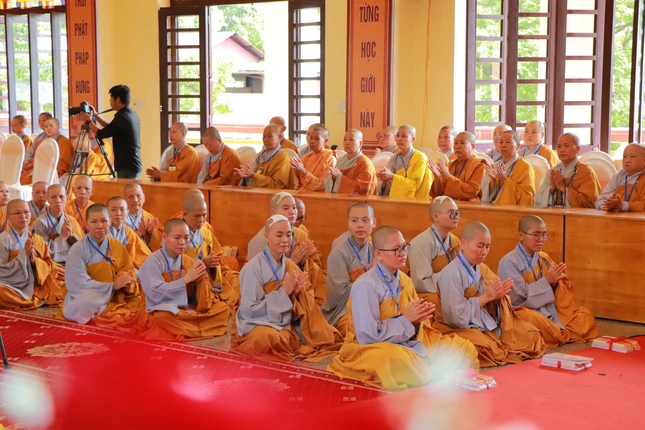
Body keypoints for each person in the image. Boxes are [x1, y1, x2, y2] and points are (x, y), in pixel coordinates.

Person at [328, 226, 478, 389]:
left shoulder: (405, 280)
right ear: (378, 254)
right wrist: (406, 320)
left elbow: (420, 326)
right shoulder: (365, 286)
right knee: (393, 358)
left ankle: (432, 372)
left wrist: (418, 319)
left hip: (411, 341)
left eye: (404, 247)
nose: (403, 253)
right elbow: (367, 335)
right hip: (370, 347)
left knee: (464, 348)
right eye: (396, 250)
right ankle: (436, 371)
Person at [434, 222, 546, 367]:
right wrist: (485, 298)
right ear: (463, 243)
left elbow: (494, 299)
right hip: (456, 328)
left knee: (532, 335)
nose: (484, 252)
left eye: (487, 246)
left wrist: (498, 298)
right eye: (479, 246)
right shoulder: (451, 273)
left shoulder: (482, 268)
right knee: (484, 348)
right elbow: (454, 318)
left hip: (484, 324)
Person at [231, 215, 340, 363]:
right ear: (266, 236)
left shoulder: (290, 265)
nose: (285, 240)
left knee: (317, 333)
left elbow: (305, 304)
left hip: (285, 322)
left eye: (288, 235)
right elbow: (248, 310)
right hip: (257, 322)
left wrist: (297, 294)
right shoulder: (252, 268)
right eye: (279, 235)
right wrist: (284, 293)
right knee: (266, 338)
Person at [498, 215, 598, 348]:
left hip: (549, 307)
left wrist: (556, 282)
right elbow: (517, 298)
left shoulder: (543, 257)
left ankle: (556, 330)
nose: (541, 239)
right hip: (524, 310)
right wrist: (547, 281)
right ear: (521, 236)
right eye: (536, 235)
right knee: (534, 321)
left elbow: (561, 291)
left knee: (585, 317)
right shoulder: (508, 262)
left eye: (544, 235)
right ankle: (556, 331)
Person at [137, 219, 231, 341]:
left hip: (187, 305)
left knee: (222, 308)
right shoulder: (152, 262)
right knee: (160, 319)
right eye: (177, 238)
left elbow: (202, 289)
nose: (182, 242)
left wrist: (201, 278)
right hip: (161, 307)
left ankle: (191, 323)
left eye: (186, 238)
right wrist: (185, 280)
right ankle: (195, 325)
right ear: (165, 237)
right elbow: (154, 293)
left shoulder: (186, 259)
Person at [63, 204, 142, 327]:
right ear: (87, 225)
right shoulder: (77, 249)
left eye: (104, 221)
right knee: (79, 305)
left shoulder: (117, 245)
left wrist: (124, 279)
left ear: (110, 222)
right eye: (94, 222)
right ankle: (103, 310)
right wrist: (111, 286)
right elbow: (77, 283)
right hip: (91, 294)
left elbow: (128, 269)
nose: (99, 226)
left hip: (118, 294)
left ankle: (101, 311)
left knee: (143, 298)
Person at [247, 192, 326, 305]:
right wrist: (291, 262)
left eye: (294, 207)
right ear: (273, 212)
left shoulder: (301, 234)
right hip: (271, 297)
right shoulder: (259, 241)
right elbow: (256, 280)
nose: (292, 212)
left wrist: (304, 263)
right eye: (286, 208)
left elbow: (316, 270)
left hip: (300, 289)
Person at [0, 199, 66, 310]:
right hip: (11, 284)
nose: (23, 216)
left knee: (66, 281)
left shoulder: (36, 239)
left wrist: (33, 260)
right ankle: (33, 298)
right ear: (8, 216)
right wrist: (24, 255)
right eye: (17, 213)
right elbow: (2, 271)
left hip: (36, 281)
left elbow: (48, 263)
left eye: (26, 212)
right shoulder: (3, 239)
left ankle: (33, 297)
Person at [321, 203, 376, 337]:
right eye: (355, 221)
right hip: (344, 309)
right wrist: (370, 275)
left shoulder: (376, 249)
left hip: (373, 304)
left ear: (374, 223)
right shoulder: (338, 253)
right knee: (359, 330)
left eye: (365, 220)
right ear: (348, 224)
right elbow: (339, 293)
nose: (360, 225)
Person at [180, 192, 240, 309]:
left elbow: (218, 257)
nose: (201, 220)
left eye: (204, 215)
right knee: (214, 301)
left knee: (237, 279)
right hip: (192, 284)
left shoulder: (206, 232)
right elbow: (174, 267)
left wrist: (213, 265)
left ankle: (225, 305)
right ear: (185, 214)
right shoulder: (177, 235)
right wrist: (202, 264)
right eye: (197, 216)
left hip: (212, 278)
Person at [80, 84, 142, 179]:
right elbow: (111, 128)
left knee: (125, 188)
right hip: (132, 163)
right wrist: (95, 115)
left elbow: (100, 134)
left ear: (118, 99)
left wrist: (89, 121)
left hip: (127, 166)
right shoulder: (129, 113)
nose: (110, 101)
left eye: (111, 98)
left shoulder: (122, 117)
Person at [409, 197, 461, 307]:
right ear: (436, 216)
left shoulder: (454, 241)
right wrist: (450, 280)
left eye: (457, 213)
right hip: (425, 293)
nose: (456, 217)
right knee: (443, 302)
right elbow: (421, 282)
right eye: (451, 213)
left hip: (446, 288)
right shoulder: (422, 242)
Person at [535, 133, 601, 208]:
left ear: (577, 149)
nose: (562, 150)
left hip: (576, 215)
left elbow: (590, 202)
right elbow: (538, 200)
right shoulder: (552, 172)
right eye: (559, 146)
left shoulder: (586, 171)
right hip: (554, 214)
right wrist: (551, 189)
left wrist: (563, 189)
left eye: (566, 146)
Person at [377, 124, 433, 199]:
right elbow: (388, 188)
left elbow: (415, 184)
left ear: (413, 139)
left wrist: (392, 176)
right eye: (397, 135)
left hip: (417, 200)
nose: (399, 139)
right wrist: (384, 180)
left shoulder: (420, 157)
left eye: (404, 136)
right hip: (395, 200)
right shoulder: (394, 158)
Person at [32, 184, 84, 265]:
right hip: (50, 265)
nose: (58, 200)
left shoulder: (71, 220)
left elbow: (81, 248)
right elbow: (42, 252)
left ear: (66, 198)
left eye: (61, 197)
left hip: (72, 262)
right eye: (53, 197)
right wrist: (62, 237)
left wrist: (70, 237)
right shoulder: (40, 223)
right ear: (47, 199)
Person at [481, 130, 536, 205]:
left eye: (508, 142)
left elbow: (528, 197)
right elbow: (484, 195)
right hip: (493, 207)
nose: (503, 145)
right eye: (501, 142)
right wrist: (493, 181)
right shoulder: (495, 166)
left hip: (512, 210)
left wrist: (505, 181)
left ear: (518, 146)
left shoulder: (525, 168)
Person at [429, 131, 486, 201]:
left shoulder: (479, 165)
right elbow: (438, 193)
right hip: (447, 203)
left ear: (472, 146)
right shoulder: (450, 165)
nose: (457, 146)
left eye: (462, 143)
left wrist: (449, 177)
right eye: (455, 143)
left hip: (468, 204)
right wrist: (437, 178)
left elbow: (472, 191)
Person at [235, 124, 296, 189]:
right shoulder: (260, 155)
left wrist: (253, 175)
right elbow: (252, 177)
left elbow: (277, 185)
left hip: (275, 194)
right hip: (258, 191)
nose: (266, 139)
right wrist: (246, 176)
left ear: (279, 137)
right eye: (264, 136)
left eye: (270, 136)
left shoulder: (283, 158)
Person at [20, 118, 74, 185]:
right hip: (39, 169)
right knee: (21, 177)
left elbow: (63, 165)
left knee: (28, 180)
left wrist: (43, 170)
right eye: (46, 126)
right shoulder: (45, 142)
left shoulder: (64, 142)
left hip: (53, 172)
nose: (48, 128)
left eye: (51, 125)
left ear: (58, 127)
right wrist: (28, 166)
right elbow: (39, 159)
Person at [324, 129, 377, 195]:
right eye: (345, 139)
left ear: (360, 143)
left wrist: (339, 176)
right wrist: (333, 178)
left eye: (351, 140)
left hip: (357, 200)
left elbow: (363, 189)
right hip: (338, 197)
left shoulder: (365, 163)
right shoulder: (340, 160)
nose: (347, 143)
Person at [596, 143, 645, 212]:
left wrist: (622, 206)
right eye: (624, 156)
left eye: (632, 156)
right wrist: (607, 206)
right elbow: (600, 200)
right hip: (616, 217)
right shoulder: (618, 176)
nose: (627, 160)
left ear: (644, 161)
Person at [107, 196, 151, 270]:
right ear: (106, 213)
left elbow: (142, 255)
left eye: (122, 209)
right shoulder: (101, 231)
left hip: (126, 269)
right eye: (113, 210)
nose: (118, 213)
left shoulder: (128, 232)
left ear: (127, 212)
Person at [291, 124, 336, 192]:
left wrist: (303, 171)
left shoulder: (330, 158)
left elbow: (322, 185)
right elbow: (298, 184)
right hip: (301, 193)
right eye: (311, 138)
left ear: (325, 141)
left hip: (318, 196)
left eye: (317, 138)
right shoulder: (305, 157)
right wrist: (297, 172)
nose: (312, 141)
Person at [123, 183, 161, 248]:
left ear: (143, 198)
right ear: (124, 200)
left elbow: (161, 243)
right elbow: (117, 242)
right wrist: (138, 234)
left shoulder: (149, 218)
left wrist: (149, 233)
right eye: (130, 197)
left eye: (138, 196)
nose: (135, 200)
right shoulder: (120, 219)